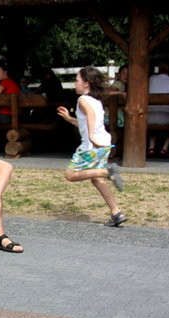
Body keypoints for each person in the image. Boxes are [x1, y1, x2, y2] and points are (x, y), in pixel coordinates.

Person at [57, 66, 127, 227]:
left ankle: (107, 171)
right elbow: (87, 122)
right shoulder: (96, 101)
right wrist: (69, 119)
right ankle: (116, 212)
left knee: (70, 175)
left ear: (86, 83)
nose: (75, 84)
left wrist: (91, 137)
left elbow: (91, 116)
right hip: (104, 144)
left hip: (91, 145)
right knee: (96, 179)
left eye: (77, 81)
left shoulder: (82, 100)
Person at [146, 63, 169, 157]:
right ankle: (165, 148)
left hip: (148, 116)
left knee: (152, 126)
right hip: (165, 116)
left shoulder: (152, 78)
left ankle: (151, 147)